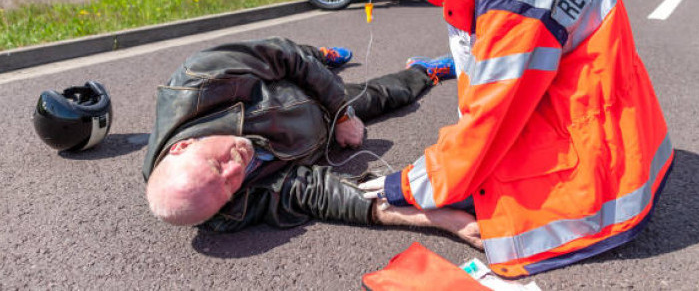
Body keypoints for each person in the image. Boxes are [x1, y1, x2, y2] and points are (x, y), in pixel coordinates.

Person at [348, 0, 673, 278]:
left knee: (487, 188)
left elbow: (491, 117)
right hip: (625, 131)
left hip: (594, 167)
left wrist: (406, 185)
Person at [142, 37, 481, 247]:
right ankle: (424, 70)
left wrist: (343, 115)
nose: (237, 166)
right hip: (312, 133)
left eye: (218, 165)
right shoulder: (221, 210)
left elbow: (280, 54)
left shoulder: (198, 80)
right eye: (231, 185)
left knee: (361, 88)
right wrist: (438, 218)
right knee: (385, 97)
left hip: (299, 86)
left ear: (182, 146)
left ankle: (319, 54)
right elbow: (318, 194)